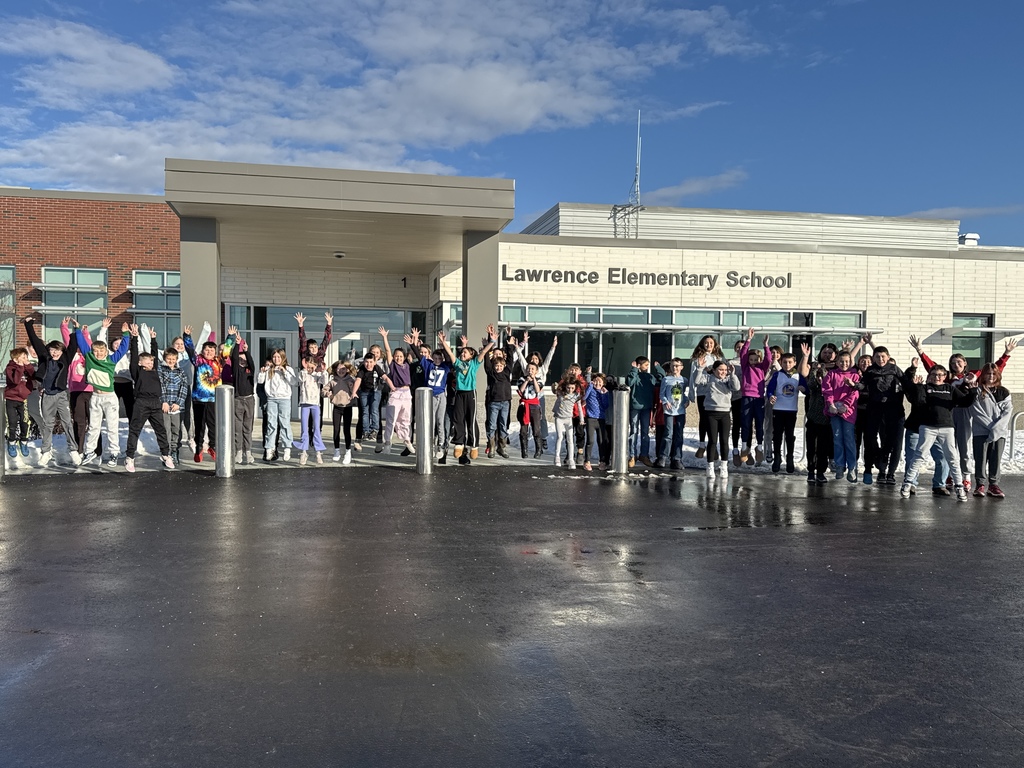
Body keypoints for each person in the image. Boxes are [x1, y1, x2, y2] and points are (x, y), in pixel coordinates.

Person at [900, 366, 977, 501]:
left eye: (940, 375)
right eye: (934, 374)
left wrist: (972, 391)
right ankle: (908, 483)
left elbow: (965, 402)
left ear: (945, 376)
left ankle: (959, 487)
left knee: (952, 457)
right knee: (919, 456)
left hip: (947, 427)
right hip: (927, 427)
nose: (937, 377)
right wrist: (918, 387)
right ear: (930, 375)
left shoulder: (950, 389)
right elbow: (918, 402)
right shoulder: (925, 388)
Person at [24, 316, 82, 466]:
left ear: (62, 351)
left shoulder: (66, 358)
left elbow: (73, 345)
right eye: (52, 350)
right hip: (47, 396)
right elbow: (34, 339)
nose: (55, 353)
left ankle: (73, 450)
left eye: (58, 350)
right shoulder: (44, 357)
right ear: (48, 350)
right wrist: (29, 323)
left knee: (67, 422)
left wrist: (75, 329)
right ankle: (46, 452)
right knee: (48, 424)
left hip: (61, 394)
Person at [438, 327, 496, 465]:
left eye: (465, 352)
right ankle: (459, 444)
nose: (462, 353)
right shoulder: (457, 364)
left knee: (471, 419)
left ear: (471, 355)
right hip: (459, 394)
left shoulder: (474, 363)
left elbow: (484, 352)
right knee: (458, 419)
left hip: (471, 394)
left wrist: (492, 341)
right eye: (462, 352)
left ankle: (474, 445)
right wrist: (443, 342)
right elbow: (450, 354)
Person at [77, 323, 131, 467]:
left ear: (106, 351)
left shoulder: (111, 360)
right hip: (95, 397)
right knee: (94, 426)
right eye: (96, 351)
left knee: (112, 426)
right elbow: (81, 343)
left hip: (109, 398)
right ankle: (89, 451)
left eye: (102, 351)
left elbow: (123, 349)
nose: (99, 353)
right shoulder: (89, 357)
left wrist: (125, 333)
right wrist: (78, 330)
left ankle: (114, 453)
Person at [123, 325, 174, 472]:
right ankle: (130, 458)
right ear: (140, 363)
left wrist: (153, 339)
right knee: (135, 430)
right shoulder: (137, 371)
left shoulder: (155, 370)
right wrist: (134, 338)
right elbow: (133, 356)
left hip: (155, 403)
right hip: (141, 403)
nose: (150, 363)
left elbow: (154, 356)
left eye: (151, 361)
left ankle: (165, 455)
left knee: (161, 430)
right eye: (147, 361)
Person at [183, 324, 230, 462]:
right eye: (206, 349)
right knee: (199, 425)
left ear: (215, 352)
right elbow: (190, 350)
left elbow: (226, 350)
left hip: (214, 399)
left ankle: (213, 446)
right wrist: (187, 337)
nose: (209, 352)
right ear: (202, 351)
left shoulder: (219, 362)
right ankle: (199, 448)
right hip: (198, 398)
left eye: (211, 350)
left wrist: (230, 337)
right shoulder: (198, 361)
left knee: (213, 425)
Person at [860, 346, 905, 485]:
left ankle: (890, 473)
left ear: (888, 357)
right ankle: (880, 465)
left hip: (894, 410)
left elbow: (908, 384)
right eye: (878, 357)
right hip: (875, 409)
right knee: (872, 438)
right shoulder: (871, 370)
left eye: (883, 356)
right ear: (873, 358)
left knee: (894, 443)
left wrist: (913, 373)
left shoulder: (896, 370)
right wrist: (854, 385)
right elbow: (862, 385)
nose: (881, 359)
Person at [692, 360, 741, 480]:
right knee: (712, 440)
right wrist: (699, 369)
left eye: (725, 370)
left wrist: (733, 374)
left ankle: (724, 466)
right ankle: (710, 466)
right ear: (714, 370)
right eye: (720, 370)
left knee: (724, 440)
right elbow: (697, 381)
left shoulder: (729, 379)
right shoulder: (709, 378)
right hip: (711, 413)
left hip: (725, 413)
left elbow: (736, 387)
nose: (723, 372)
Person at [969, 363, 1012, 499]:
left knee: (995, 459)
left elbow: (1007, 412)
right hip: (981, 431)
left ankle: (993, 485)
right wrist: (991, 427)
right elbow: (975, 411)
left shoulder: (1004, 392)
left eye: (994, 373)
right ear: (983, 375)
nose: (991, 376)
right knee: (980, 458)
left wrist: (997, 429)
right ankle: (980, 484)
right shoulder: (977, 390)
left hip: (999, 433)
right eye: (988, 373)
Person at [822, 350, 861, 482]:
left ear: (851, 362)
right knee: (837, 438)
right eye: (841, 361)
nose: (844, 364)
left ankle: (851, 467)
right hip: (834, 410)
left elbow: (855, 392)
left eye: (847, 361)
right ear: (837, 361)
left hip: (848, 411)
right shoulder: (831, 374)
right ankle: (839, 465)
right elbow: (827, 391)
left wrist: (847, 405)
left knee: (849, 439)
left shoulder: (854, 375)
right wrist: (830, 404)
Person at [798, 343, 832, 485]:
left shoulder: (834, 372)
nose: (827, 354)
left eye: (830, 352)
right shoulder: (815, 369)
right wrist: (805, 357)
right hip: (813, 416)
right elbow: (804, 374)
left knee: (823, 447)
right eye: (825, 352)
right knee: (812, 446)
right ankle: (811, 471)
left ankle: (821, 472)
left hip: (828, 417)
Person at [738, 328, 773, 466]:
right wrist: (748, 339)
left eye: (755, 359)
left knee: (759, 423)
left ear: (759, 359)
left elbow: (768, 359)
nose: (752, 361)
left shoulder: (762, 368)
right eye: (751, 359)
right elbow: (743, 354)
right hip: (746, 396)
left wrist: (766, 345)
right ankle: (745, 447)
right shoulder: (745, 366)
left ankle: (759, 447)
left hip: (759, 398)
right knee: (746, 424)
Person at [765, 352, 802, 474]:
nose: (787, 364)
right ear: (781, 363)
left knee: (790, 435)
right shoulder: (777, 375)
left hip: (791, 410)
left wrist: (804, 389)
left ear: (795, 363)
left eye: (790, 362)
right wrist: (771, 396)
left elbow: (807, 389)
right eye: (785, 362)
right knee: (777, 435)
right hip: (778, 409)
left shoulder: (798, 375)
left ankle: (790, 458)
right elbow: (770, 389)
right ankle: (777, 457)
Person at [688, 335, 724, 463]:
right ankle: (702, 445)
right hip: (703, 392)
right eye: (706, 343)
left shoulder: (719, 358)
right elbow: (693, 377)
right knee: (704, 419)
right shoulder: (697, 359)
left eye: (711, 342)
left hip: (717, 394)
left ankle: (713, 446)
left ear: (715, 344)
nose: (709, 345)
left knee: (715, 421)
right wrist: (691, 393)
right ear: (702, 344)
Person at [258, 348, 297, 461]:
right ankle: (270, 448)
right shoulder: (269, 369)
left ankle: (287, 447)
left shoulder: (288, 369)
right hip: (271, 399)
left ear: (283, 357)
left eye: (278, 357)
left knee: (284, 423)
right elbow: (260, 381)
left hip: (284, 399)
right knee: (271, 424)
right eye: (274, 357)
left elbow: (294, 382)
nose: (276, 359)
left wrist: (284, 371)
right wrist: (262, 372)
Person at [421, 331, 452, 463]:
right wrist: (415, 344)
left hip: (441, 395)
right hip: (430, 395)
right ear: (432, 358)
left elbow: (449, 358)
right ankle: (430, 445)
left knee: (440, 421)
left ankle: (440, 446)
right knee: (431, 422)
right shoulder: (429, 365)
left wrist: (442, 344)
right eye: (436, 358)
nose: (438, 360)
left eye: (440, 358)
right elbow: (420, 355)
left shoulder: (445, 366)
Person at [292, 354, 328, 465]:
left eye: (312, 366)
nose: (310, 368)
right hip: (305, 404)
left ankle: (318, 452)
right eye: (308, 366)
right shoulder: (303, 374)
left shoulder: (317, 375)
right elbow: (300, 378)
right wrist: (304, 368)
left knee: (316, 427)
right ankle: (304, 452)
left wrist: (323, 370)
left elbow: (325, 381)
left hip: (315, 404)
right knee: (304, 428)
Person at [229, 327, 258, 464]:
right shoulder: (237, 371)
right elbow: (234, 359)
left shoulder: (250, 370)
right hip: (238, 400)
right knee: (237, 428)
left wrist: (246, 350)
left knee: (248, 428)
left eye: (244, 358)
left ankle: (248, 453)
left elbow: (252, 364)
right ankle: (238, 452)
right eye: (240, 358)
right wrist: (236, 343)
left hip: (249, 400)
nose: (242, 360)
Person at [158, 342, 190, 465]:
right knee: (166, 429)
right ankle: (166, 453)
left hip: (177, 406)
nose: (171, 361)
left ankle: (174, 451)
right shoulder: (161, 370)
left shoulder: (180, 372)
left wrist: (179, 403)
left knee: (176, 429)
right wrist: (164, 401)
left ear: (176, 359)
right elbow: (160, 387)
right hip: (165, 406)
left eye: (173, 359)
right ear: (165, 359)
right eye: (169, 359)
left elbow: (183, 388)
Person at [656, 358, 688, 470]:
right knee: (668, 433)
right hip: (669, 411)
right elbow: (662, 394)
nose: (675, 368)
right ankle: (663, 457)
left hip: (680, 410)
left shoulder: (684, 380)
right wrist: (665, 402)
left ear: (681, 367)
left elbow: (684, 393)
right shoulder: (666, 379)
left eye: (677, 366)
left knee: (679, 434)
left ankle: (677, 458)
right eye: (673, 366)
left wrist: (687, 400)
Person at [625, 356, 658, 468]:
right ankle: (632, 456)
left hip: (646, 406)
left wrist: (658, 368)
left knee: (645, 432)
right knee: (633, 430)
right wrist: (634, 370)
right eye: (646, 365)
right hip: (635, 406)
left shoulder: (650, 377)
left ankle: (644, 455)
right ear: (639, 365)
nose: (647, 367)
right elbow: (629, 382)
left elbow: (660, 380)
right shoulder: (634, 375)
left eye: (648, 365)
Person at [483, 343, 513, 458]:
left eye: (501, 366)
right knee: (491, 425)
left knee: (503, 424)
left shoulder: (506, 372)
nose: (498, 367)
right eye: (496, 366)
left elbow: (510, 360)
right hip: (494, 403)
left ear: (504, 366)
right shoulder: (491, 374)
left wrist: (509, 345)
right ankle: (491, 447)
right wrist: (487, 346)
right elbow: (487, 364)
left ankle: (502, 447)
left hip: (505, 402)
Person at [4, 346, 34, 459]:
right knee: (12, 423)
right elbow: (15, 381)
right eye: (23, 357)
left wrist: (28, 365)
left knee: (25, 421)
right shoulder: (10, 368)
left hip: (23, 399)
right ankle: (11, 442)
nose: (25, 358)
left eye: (26, 356)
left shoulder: (26, 367)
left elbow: (33, 376)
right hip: (11, 399)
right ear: (16, 358)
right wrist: (20, 367)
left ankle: (24, 442)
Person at [327, 360, 359, 464]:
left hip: (347, 407)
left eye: (343, 369)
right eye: (339, 369)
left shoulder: (350, 380)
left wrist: (353, 393)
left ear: (347, 369)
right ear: (335, 370)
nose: (341, 371)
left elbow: (356, 389)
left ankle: (348, 452)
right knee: (336, 430)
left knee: (347, 430)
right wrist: (329, 394)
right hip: (337, 407)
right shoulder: (333, 381)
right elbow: (324, 390)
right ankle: (336, 450)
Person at [551, 372, 581, 469]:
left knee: (570, 439)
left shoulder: (576, 396)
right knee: (560, 437)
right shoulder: (561, 393)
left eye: (572, 388)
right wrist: (555, 386)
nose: (570, 390)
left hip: (569, 419)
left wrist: (581, 418)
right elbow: (555, 389)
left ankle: (571, 459)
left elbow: (579, 407)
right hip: (559, 418)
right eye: (568, 388)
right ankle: (557, 457)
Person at [582, 372, 610, 471]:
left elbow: (605, 405)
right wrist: (590, 386)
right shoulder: (590, 389)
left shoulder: (604, 392)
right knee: (590, 440)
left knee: (601, 441)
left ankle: (602, 461)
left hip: (601, 419)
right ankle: (587, 461)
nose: (598, 383)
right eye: (596, 380)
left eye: (600, 381)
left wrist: (603, 394)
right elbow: (584, 397)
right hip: (591, 418)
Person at [517, 362, 545, 459]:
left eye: (533, 369)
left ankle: (538, 450)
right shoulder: (521, 379)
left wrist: (533, 380)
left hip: (534, 406)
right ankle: (524, 450)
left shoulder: (539, 380)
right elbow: (521, 390)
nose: (530, 371)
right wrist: (526, 381)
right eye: (529, 368)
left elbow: (538, 390)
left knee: (536, 429)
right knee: (523, 429)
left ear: (536, 371)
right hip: (524, 405)